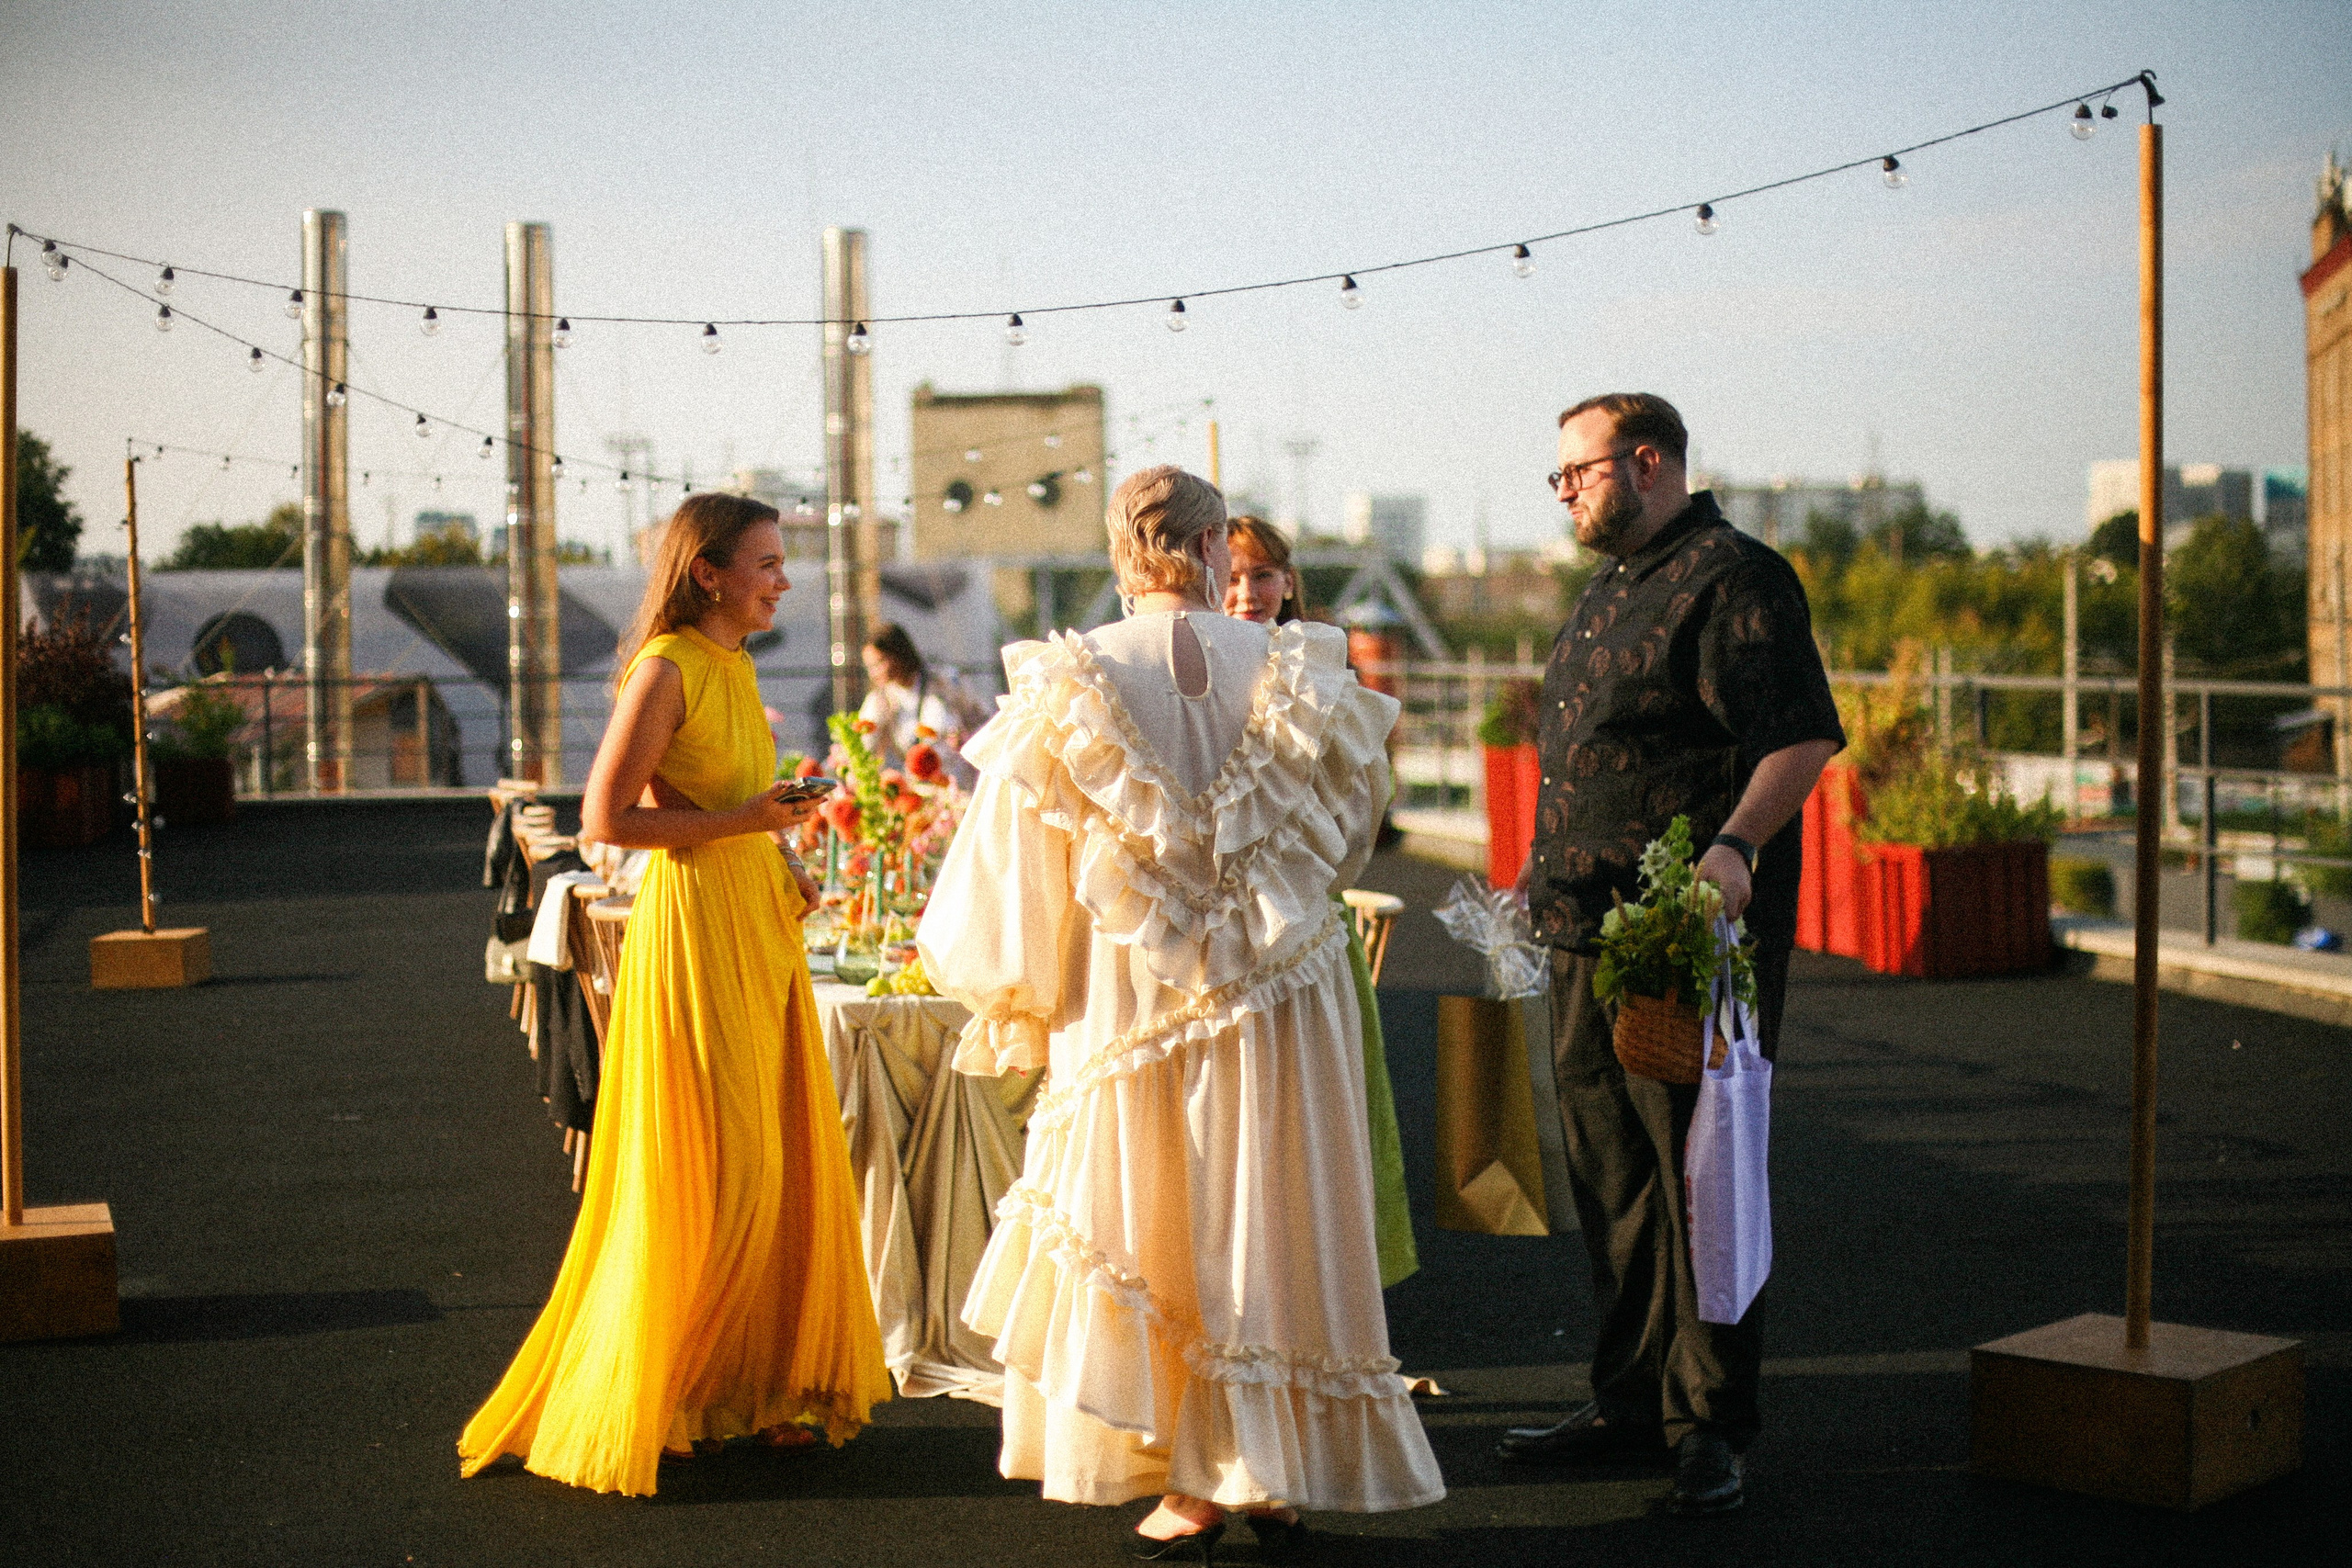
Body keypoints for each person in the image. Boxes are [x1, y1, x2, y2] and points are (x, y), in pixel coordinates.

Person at [920, 466, 1444, 1559]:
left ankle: (1206, 1481)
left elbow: (1006, 876)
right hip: (1284, 994)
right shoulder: (1299, 670)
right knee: (1271, 1219)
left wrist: (1023, 995)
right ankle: (1265, 1470)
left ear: (1122, 550)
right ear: (1213, 550)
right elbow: (1348, 838)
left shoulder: (1068, 686)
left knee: (1158, 1220)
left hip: (1126, 997)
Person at [458, 493, 891, 1497]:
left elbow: (712, 806)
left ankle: (766, 1391)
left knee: (779, 1163)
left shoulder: (734, 667)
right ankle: (672, 1391)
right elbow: (604, 817)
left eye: (784, 563)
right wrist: (746, 818)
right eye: (768, 563)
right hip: (693, 934)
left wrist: (775, 847)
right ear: (710, 572)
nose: (784, 579)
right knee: (722, 1169)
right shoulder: (667, 669)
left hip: (754, 924)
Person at [1494, 394, 1843, 1516]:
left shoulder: (1737, 577)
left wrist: (1737, 845)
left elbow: (1798, 734)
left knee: (1701, 1183)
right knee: (1615, 1181)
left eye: (1575, 473)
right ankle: (1629, 1404)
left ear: (1647, 462)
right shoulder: (1608, 587)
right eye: (1557, 478)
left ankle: (1710, 1427)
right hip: (1582, 934)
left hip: (1677, 940)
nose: (1564, 493)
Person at [1222, 514, 1418, 1291]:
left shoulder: (1323, 668)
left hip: (1305, 914)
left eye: (1262, 575)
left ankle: (1322, 1283)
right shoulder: (1196, 665)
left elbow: (1363, 797)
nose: (1247, 592)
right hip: (1225, 924)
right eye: (1233, 575)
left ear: (1289, 580)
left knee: (1319, 1121)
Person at [858, 622, 979, 787]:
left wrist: (966, 740)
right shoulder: (880, 699)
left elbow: (983, 721)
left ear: (898, 653)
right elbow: (862, 747)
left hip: (958, 784)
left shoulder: (945, 681)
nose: (874, 673)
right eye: (870, 667)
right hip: (918, 792)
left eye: (880, 663)